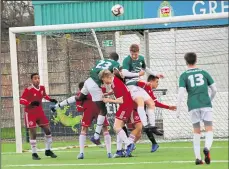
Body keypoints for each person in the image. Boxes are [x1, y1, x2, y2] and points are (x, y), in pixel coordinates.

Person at [52, 52, 120, 145]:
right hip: (96, 84)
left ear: (109, 57)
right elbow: (116, 72)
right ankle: (96, 136)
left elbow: (96, 69)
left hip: (88, 81)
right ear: (116, 59)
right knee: (103, 110)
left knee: (79, 97)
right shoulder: (116, 64)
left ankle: (58, 105)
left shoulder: (102, 61)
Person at [176, 52, 217, 165]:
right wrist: (209, 100)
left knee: (196, 131)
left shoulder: (184, 75)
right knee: (209, 129)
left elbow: (180, 93)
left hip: (192, 105)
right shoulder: (204, 73)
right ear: (196, 60)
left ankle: (198, 158)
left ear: (186, 61)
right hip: (205, 103)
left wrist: (178, 110)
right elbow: (214, 89)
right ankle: (207, 148)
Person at [122, 44, 164, 136]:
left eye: (135, 54)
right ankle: (145, 125)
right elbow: (124, 73)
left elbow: (145, 69)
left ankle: (152, 126)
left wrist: (156, 74)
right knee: (140, 101)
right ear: (130, 52)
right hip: (131, 85)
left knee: (151, 103)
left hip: (139, 84)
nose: (134, 56)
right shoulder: (127, 60)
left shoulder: (141, 58)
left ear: (138, 52)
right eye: (132, 54)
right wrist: (138, 74)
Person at [99, 70, 139, 157]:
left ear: (107, 77)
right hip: (126, 105)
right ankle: (119, 151)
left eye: (103, 80)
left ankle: (129, 144)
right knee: (118, 128)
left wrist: (108, 100)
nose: (104, 82)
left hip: (126, 105)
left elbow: (121, 100)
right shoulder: (114, 82)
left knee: (116, 127)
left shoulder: (115, 83)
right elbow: (119, 90)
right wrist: (108, 93)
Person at [20, 73, 58, 160]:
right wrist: (30, 103)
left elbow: (44, 95)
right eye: (35, 78)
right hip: (30, 114)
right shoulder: (28, 89)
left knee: (48, 131)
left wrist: (50, 99)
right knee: (33, 133)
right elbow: (21, 100)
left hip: (40, 113)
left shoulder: (42, 88)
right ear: (32, 80)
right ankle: (34, 154)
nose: (37, 80)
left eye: (38, 78)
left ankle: (48, 150)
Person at [138, 75, 176, 152]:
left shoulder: (149, 89)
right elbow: (155, 103)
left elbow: (155, 103)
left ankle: (153, 142)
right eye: (156, 82)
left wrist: (168, 107)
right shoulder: (146, 87)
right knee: (140, 128)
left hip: (140, 109)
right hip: (135, 108)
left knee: (143, 127)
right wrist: (168, 107)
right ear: (151, 81)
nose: (157, 84)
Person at [76, 82, 112, 159]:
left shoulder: (81, 94)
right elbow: (104, 94)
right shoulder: (100, 89)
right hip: (99, 109)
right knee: (105, 129)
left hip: (88, 110)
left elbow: (79, 107)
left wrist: (83, 107)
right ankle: (109, 153)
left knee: (84, 129)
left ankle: (81, 153)